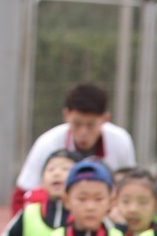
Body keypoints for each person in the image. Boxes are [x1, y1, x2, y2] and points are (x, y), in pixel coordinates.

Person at [12, 82, 135, 212]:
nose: (83, 132)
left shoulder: (121, 141)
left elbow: (129, 188)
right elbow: (21, 195)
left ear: (105, 118)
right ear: (66, 115)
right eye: (76, 124)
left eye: (90, 125)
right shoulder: (47, 143)